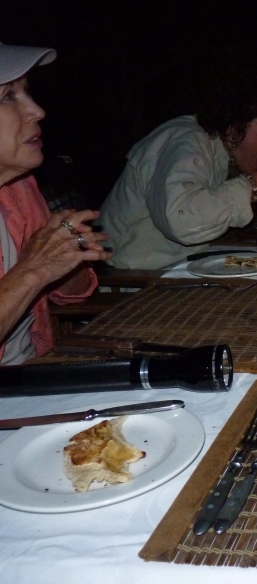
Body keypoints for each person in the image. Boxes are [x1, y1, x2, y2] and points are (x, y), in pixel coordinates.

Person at [98, 79, 257, 269]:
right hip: (127, 283)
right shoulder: (186, 140)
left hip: (174, 270)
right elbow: (182, 222)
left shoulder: (222, 152)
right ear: (237, 119)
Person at [0, 42, 108, 365]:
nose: (38, 111)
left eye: (27, 92)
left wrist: (68, 254)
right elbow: (35, 271)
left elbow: (71, 291)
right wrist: (34, 270)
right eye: (7, 96)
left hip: (33, 370)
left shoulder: (18, 186)